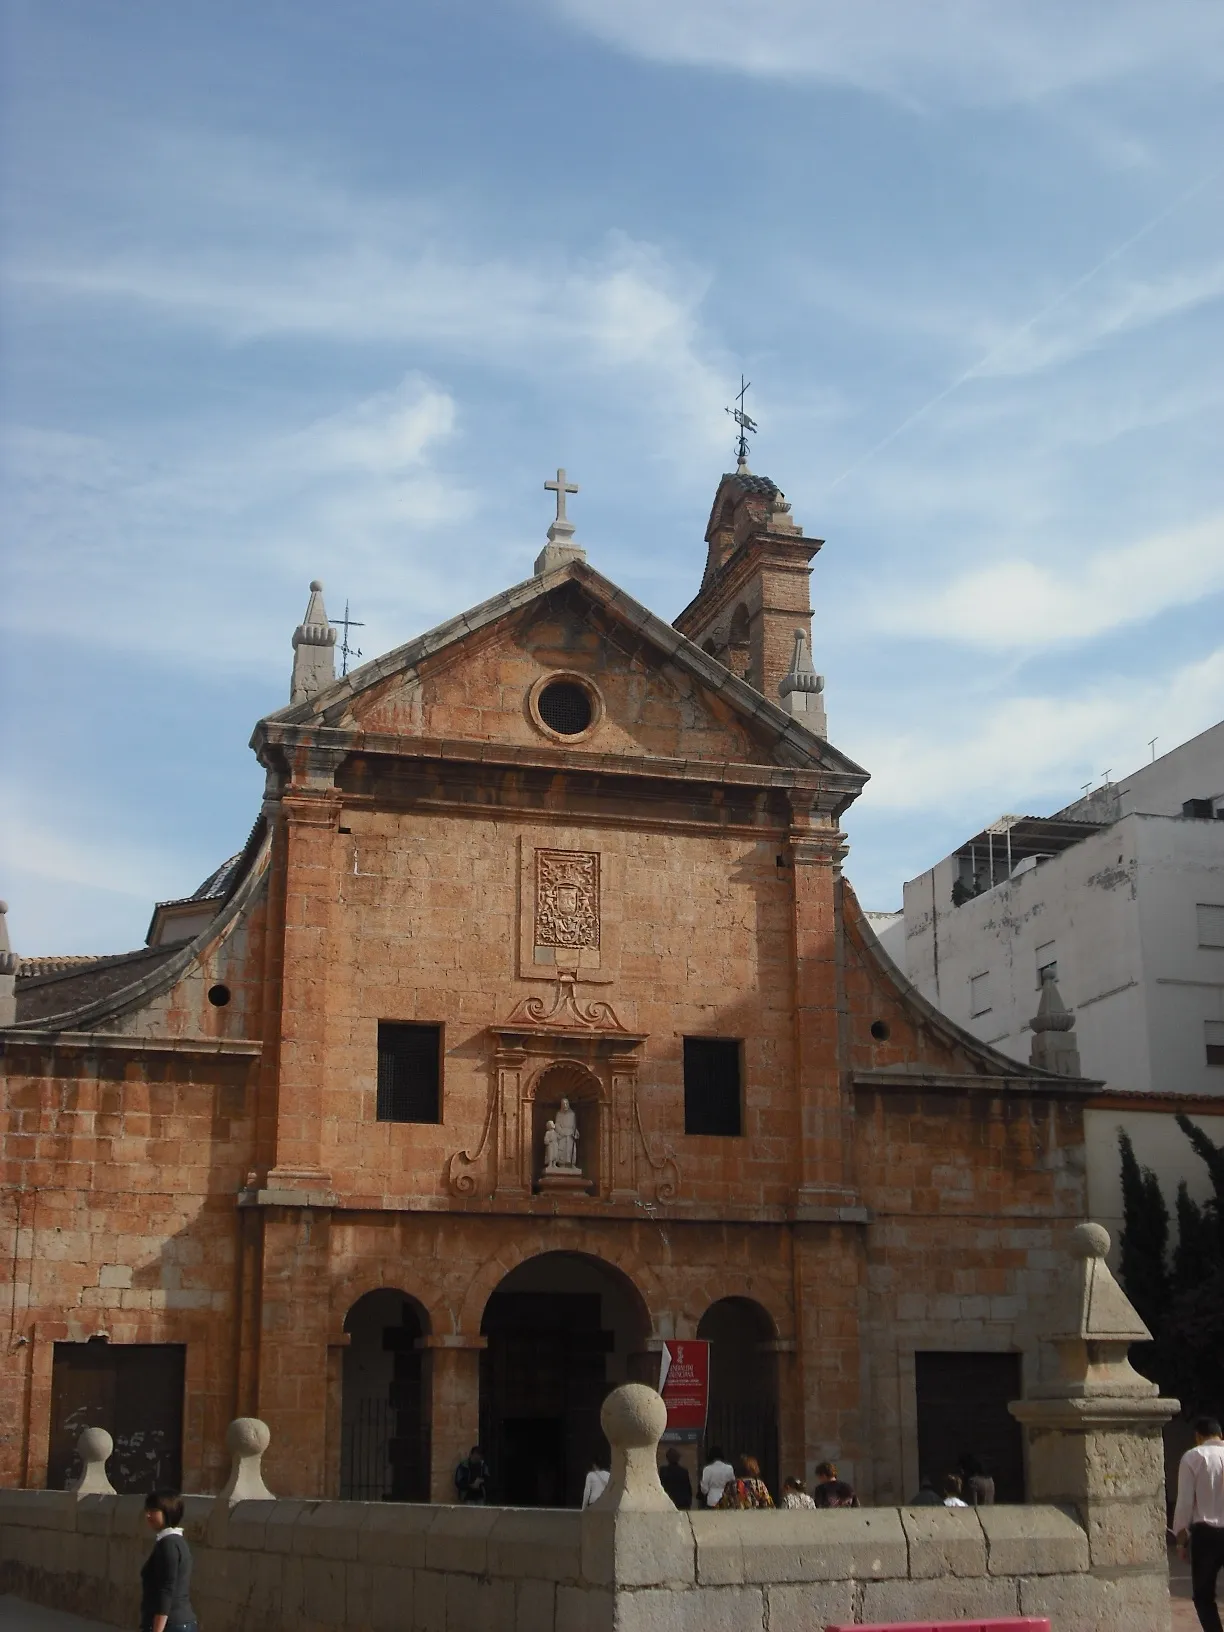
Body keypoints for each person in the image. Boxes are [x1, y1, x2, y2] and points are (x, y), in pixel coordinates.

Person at [1173, 1416, 1224, 1632]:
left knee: (1204, 1597)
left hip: (1206, 1535)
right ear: (1220, 1435)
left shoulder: (1193, 1457)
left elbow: (1185, 1502)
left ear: (1198, 1437)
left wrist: (1181, 1541)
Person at [140, 1491, 196, 1632]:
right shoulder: (176, 1542)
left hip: (171, 1625)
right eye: (147, 1510)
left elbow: (166, 1590)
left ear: (168, 1512)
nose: (148, 1515)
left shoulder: (168, 1544)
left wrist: (157, 1629)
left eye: (153, 1511)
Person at [699, 1444, 734, 1509]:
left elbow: (704, 1490)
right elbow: (732, 1484)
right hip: (726, 1500)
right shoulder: (729, 1468)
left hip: (712, 1500)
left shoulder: (707, 1469)